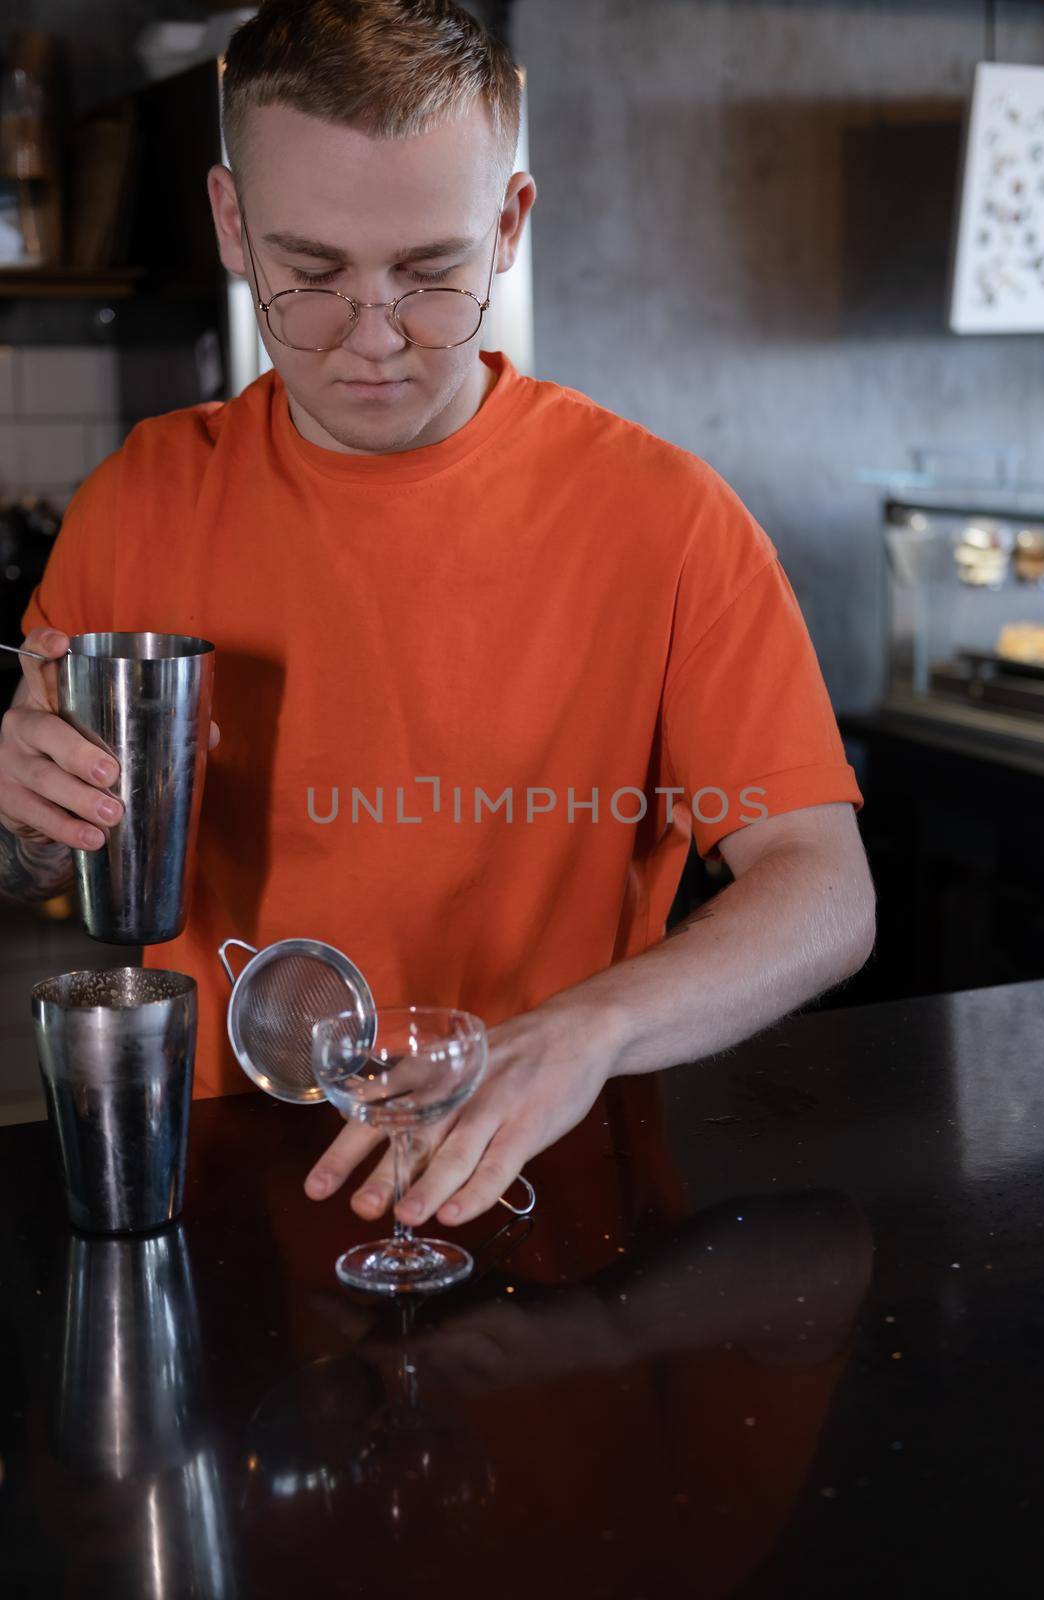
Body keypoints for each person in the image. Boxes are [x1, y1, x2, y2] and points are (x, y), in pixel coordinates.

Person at [0, 0, 874, 1233]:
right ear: (232, 224)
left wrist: (589, 1027)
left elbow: (825, 891)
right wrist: (22, 807)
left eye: (429, 274)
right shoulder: (141, 498)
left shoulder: (666, 518)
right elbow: (33, 864)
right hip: (220, 1188)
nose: (375, 341)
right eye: (309, 276)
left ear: (509, 223)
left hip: (547, 1182)